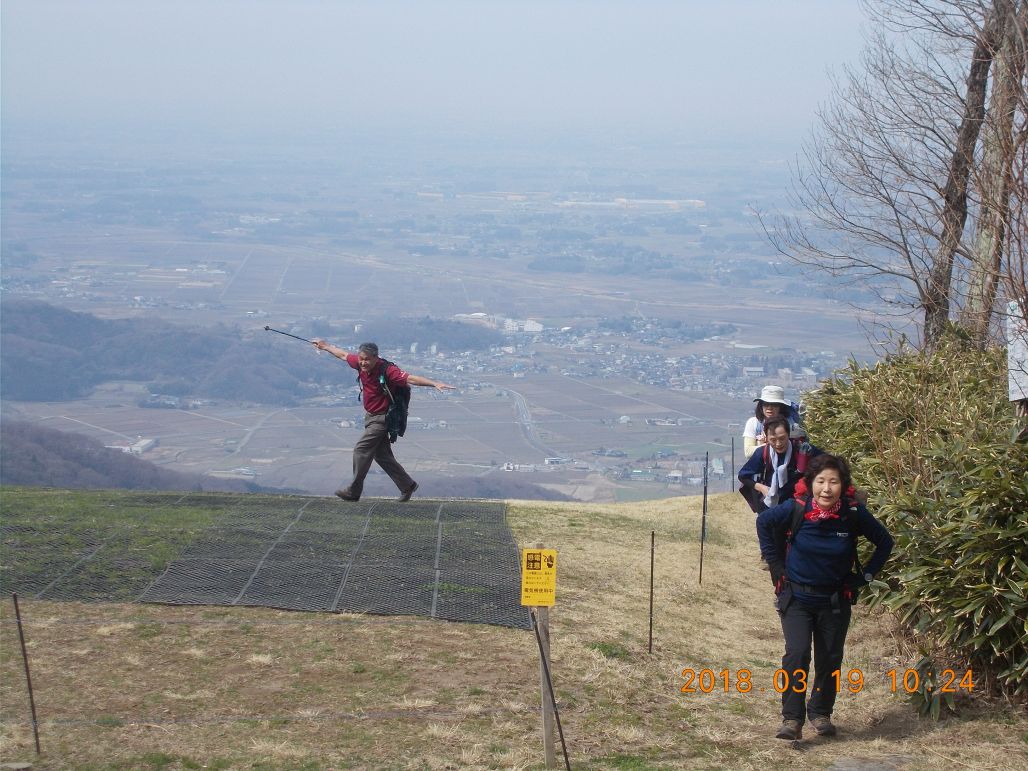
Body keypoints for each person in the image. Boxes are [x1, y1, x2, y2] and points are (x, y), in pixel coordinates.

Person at [756, 454, 893, 741]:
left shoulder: (853, 514)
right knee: (797, 654)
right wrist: (777, 566)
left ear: (844, 486)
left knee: (830, 658)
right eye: (821, 481)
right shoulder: (797, 507)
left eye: (834, 482)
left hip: (834, 600)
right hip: (796, 597)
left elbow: (884, 541)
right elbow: (764, 524)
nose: (827, 489)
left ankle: (821, 712)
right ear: (810, 483)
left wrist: (865, 576)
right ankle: (792, 719)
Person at [312, 339, 455, 502]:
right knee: (382, 456)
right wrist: (325, 346)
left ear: (376, 358)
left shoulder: (387, 370)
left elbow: (411, 379)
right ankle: (407, 485)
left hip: (383, 418)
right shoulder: (359, 363)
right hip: (371, 416)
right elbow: (343, 355)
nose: (363, 362)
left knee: (361, 449)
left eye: (367, 359)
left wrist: (434, 383)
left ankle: (354, 491)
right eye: (361, 359)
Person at [738, 416, 820, 514]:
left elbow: (828, 462)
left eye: (782, 438)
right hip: (769, 507)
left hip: (797, 506)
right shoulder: (762, 453)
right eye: (773, 440)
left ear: (788, 434)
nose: (778, 444)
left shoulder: (801, 449)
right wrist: (761, 488)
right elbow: (743, 476)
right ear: (767, 438)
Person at [743, 385, 793, 456]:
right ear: (761, 405)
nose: (769, 407)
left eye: (774, 404)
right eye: (766, 404)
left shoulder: (790, 424)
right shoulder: (753, 423)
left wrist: (763, 445)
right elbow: (748, 452)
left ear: (781, 407)